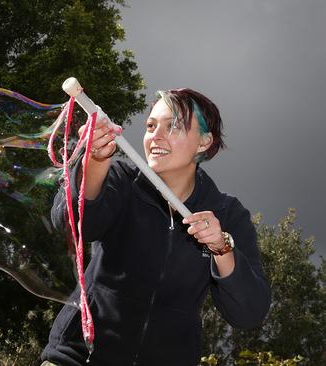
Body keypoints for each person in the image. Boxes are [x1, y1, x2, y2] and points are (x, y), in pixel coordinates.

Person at [41, 89, 271, 365]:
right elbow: (70, 225)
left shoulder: (228, 214)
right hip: (77, 357)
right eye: (151, 126)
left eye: (173, 125)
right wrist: (96, 161)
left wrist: (222, 248)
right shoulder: (120, 180)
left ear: (204, 142)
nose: (155, 136)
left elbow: (249, 313)